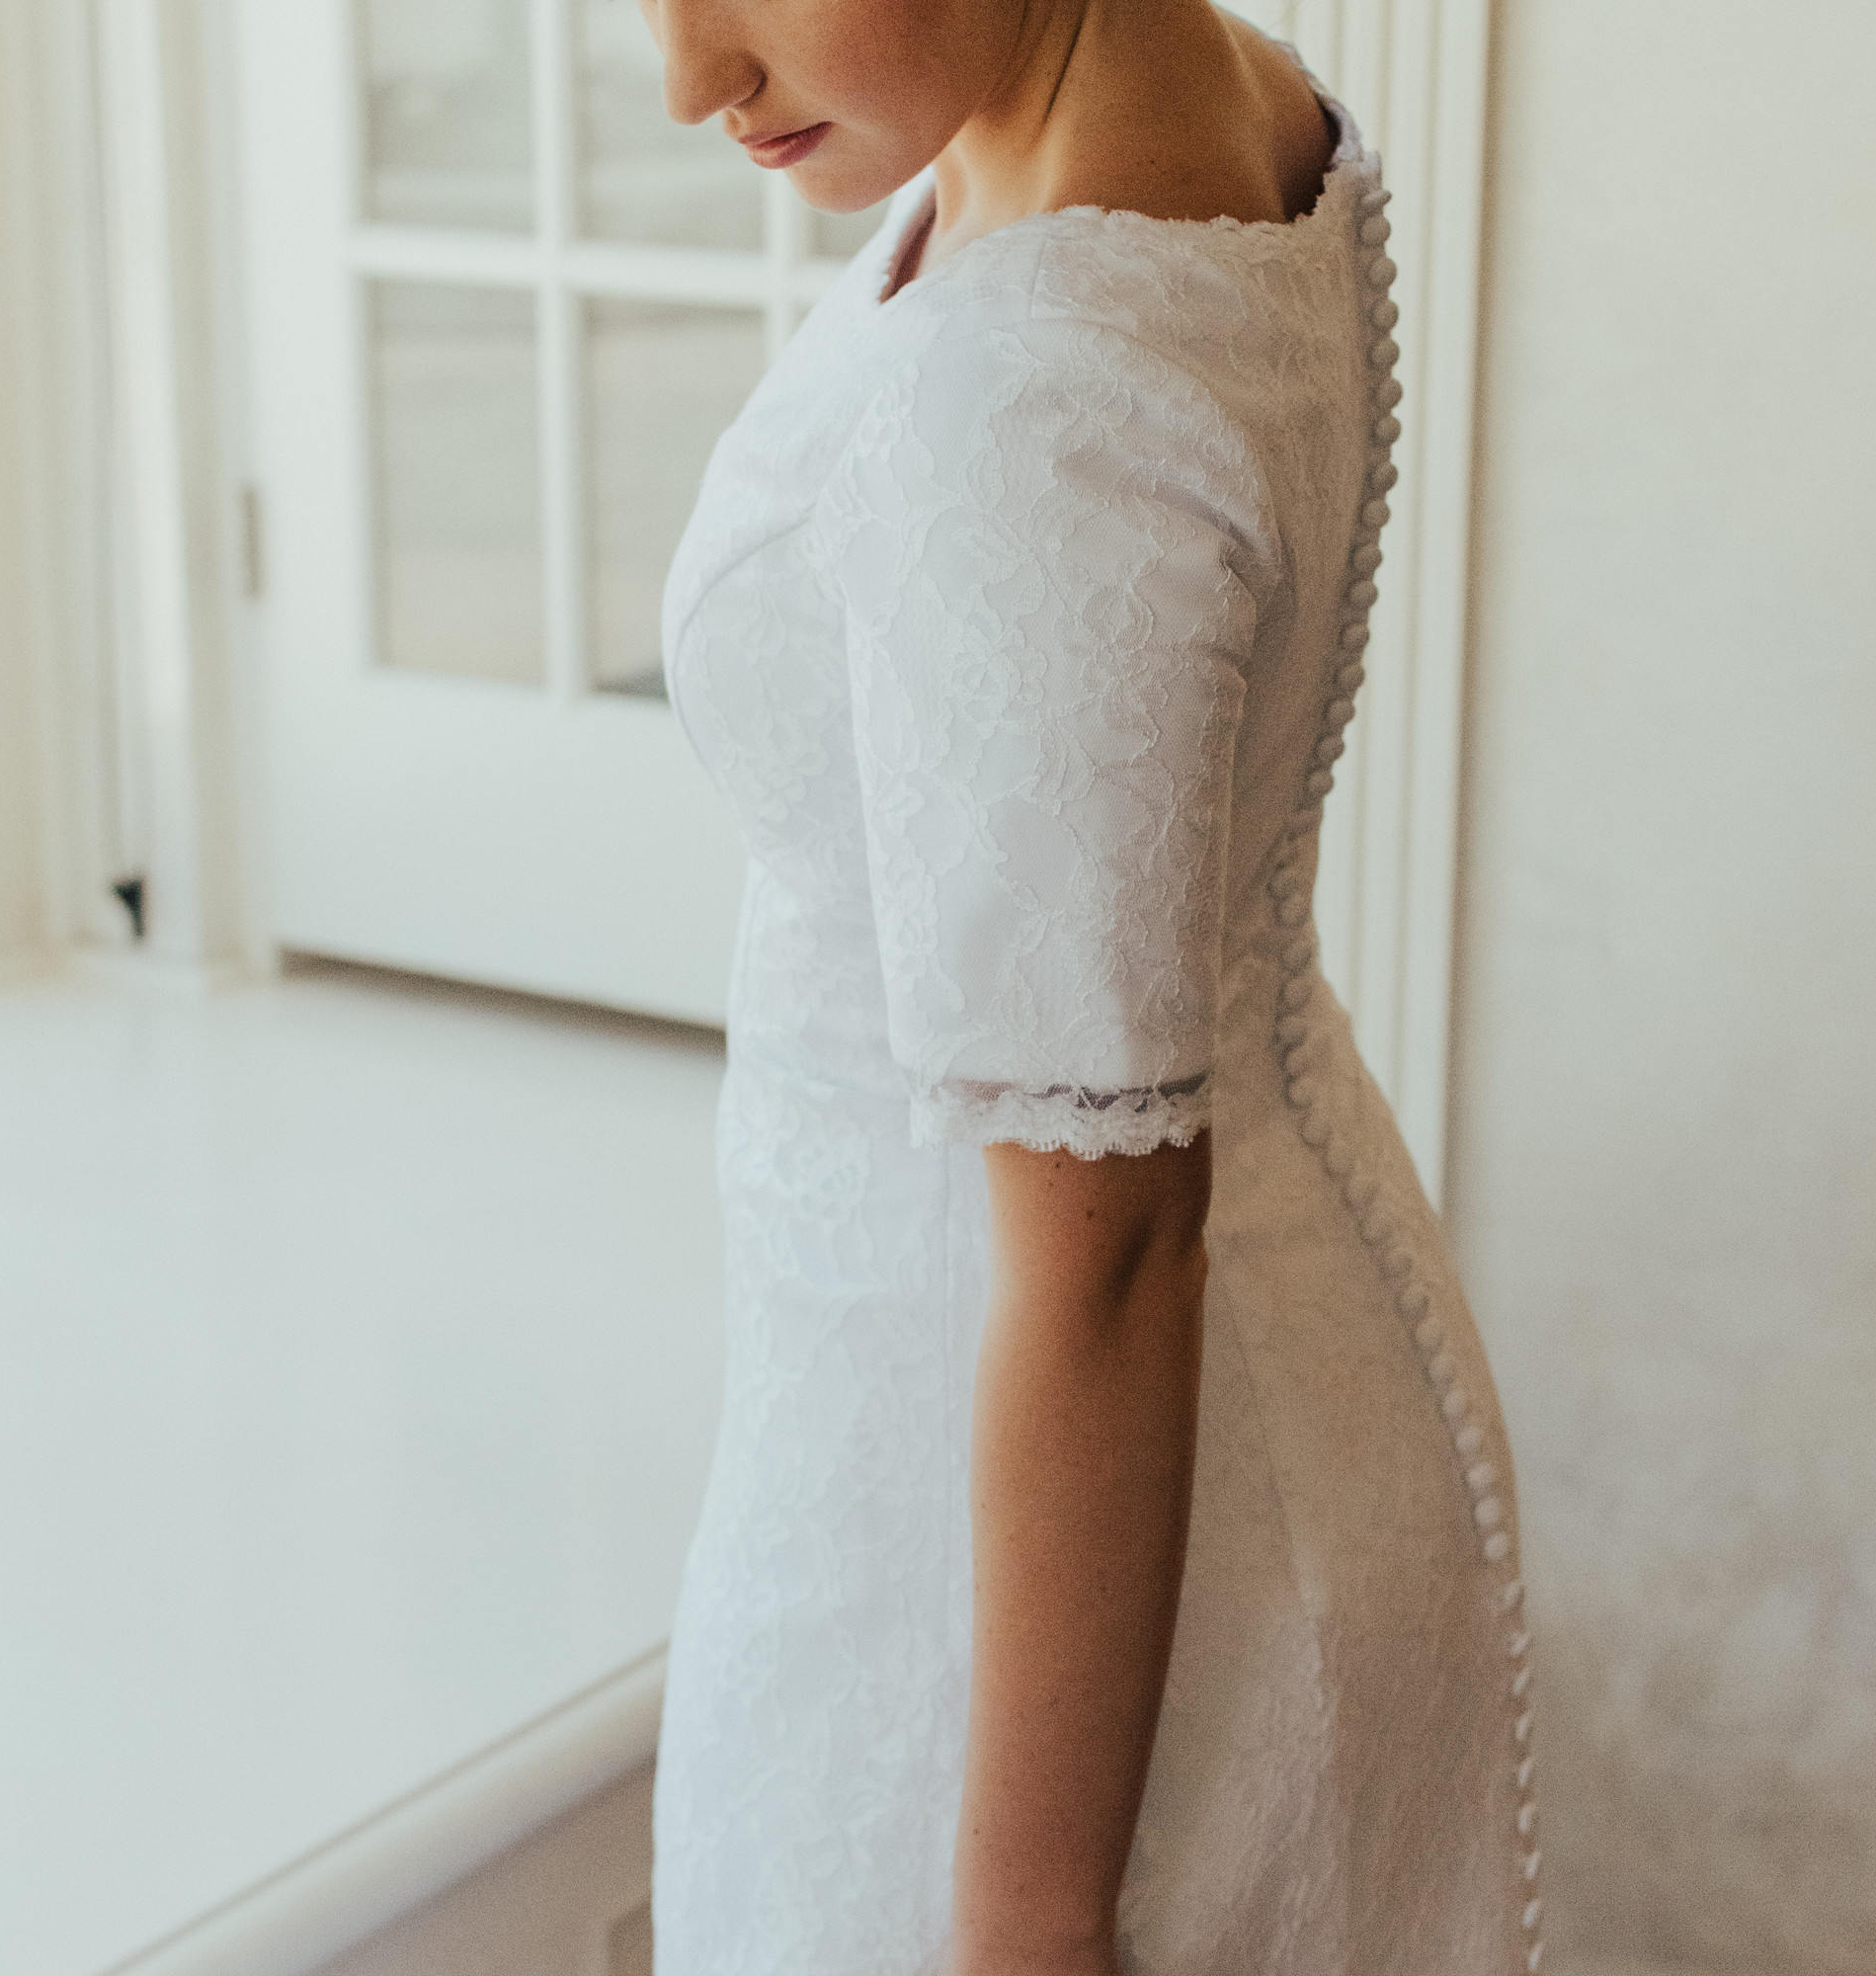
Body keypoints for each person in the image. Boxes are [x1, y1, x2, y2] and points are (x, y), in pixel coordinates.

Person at [647, 1, 1539, 1971]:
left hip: (1028, 1607)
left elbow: (1114, 1256)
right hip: (1161, 1430)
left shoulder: (1035, 412)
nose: (689, 76)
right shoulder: (1174, 92)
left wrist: (1033, 1920)